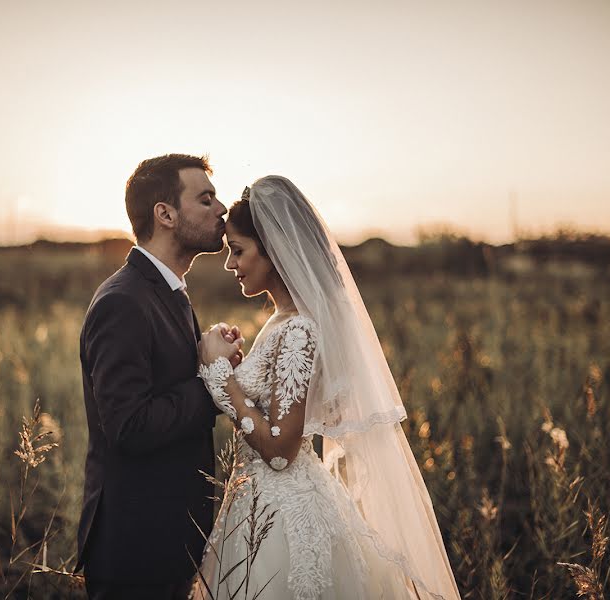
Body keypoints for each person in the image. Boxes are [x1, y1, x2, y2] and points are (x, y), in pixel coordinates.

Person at [193, 176, 462, 599]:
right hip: (259, 502)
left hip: (285, 510)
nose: (231, 264)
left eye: (238, 250)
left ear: (274, 249)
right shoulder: (281, 320)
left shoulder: (298, 329)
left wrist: (221, 380)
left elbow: (281, 450)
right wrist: (238, 369)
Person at [77, 154, 243, 600]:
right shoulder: (122, 302)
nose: (221, 209)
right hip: (135, 551)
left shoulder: (169, 292)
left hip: (169, 540)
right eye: (205, 199)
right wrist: (211, 380)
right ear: (165, 214)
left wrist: (210, 354)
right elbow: (129, 427)